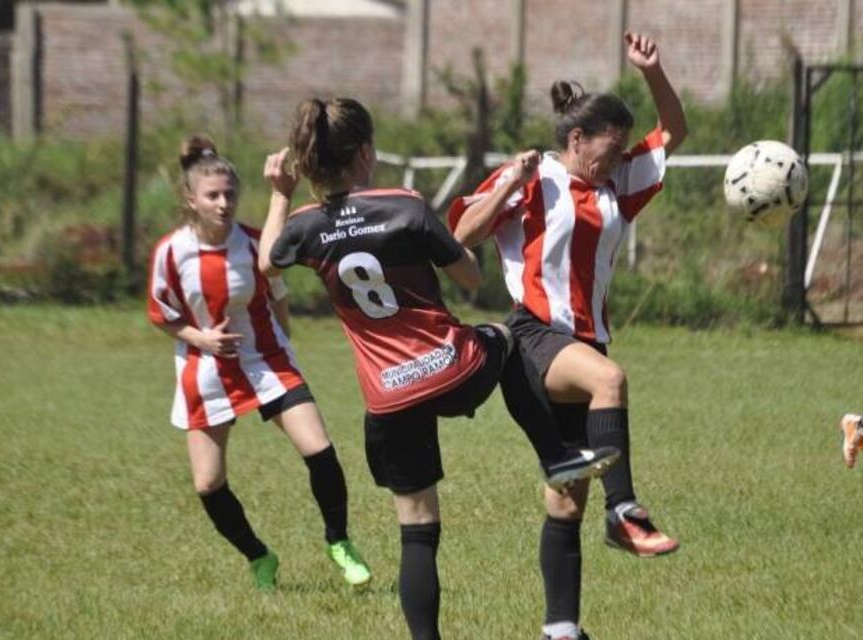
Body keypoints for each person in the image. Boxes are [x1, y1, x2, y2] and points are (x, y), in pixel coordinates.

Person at [257, 98, 617, 640]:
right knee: (512, 336)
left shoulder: (306, 226)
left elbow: (267, 262)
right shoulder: (404, 205)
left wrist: (280, 196)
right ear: (365, 152)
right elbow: (470, 278)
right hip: (453, 369)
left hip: (387, 396)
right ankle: (556, 456)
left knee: (418, 528)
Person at [449, 32, 687, 640]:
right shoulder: (536, 176)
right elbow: (464, 237)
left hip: (584, 343)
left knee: (565, 499)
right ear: (576, 139)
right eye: (607, 150)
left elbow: (673, 131)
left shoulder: (615, 188)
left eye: (618, 154)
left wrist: (653, 72)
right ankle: (626, 511)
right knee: (611, 381)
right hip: (534, 337)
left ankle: (560, 630)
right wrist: (509, 182)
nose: (615, 161)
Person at [146, 134, 371, 592]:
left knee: (321, 450)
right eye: (213, 195)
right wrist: (200, 338)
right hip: (206, 370)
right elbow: (161, 314)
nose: (224, 203)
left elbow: (279, 298)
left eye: (230, 193)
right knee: (208, 484)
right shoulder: (171, 252)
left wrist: (282, 345)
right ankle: (259, 556)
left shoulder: (253, 244)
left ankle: (339, 541)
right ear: (191, 199)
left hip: (267, 361)